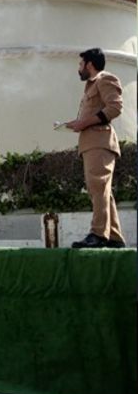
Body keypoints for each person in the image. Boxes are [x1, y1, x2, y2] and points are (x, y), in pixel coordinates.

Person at [65, 48, 125, 248]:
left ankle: (98, 234)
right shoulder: (91, 87)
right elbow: (92, 116)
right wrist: (78, 123)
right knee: (102, 190)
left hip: (100, 142)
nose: (79, 69)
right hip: (92, 143)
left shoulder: (104, 79)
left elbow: (115, 107)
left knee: (97, 187)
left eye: (80, 65)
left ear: (89, 64)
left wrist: (85, 122)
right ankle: (114, 238)